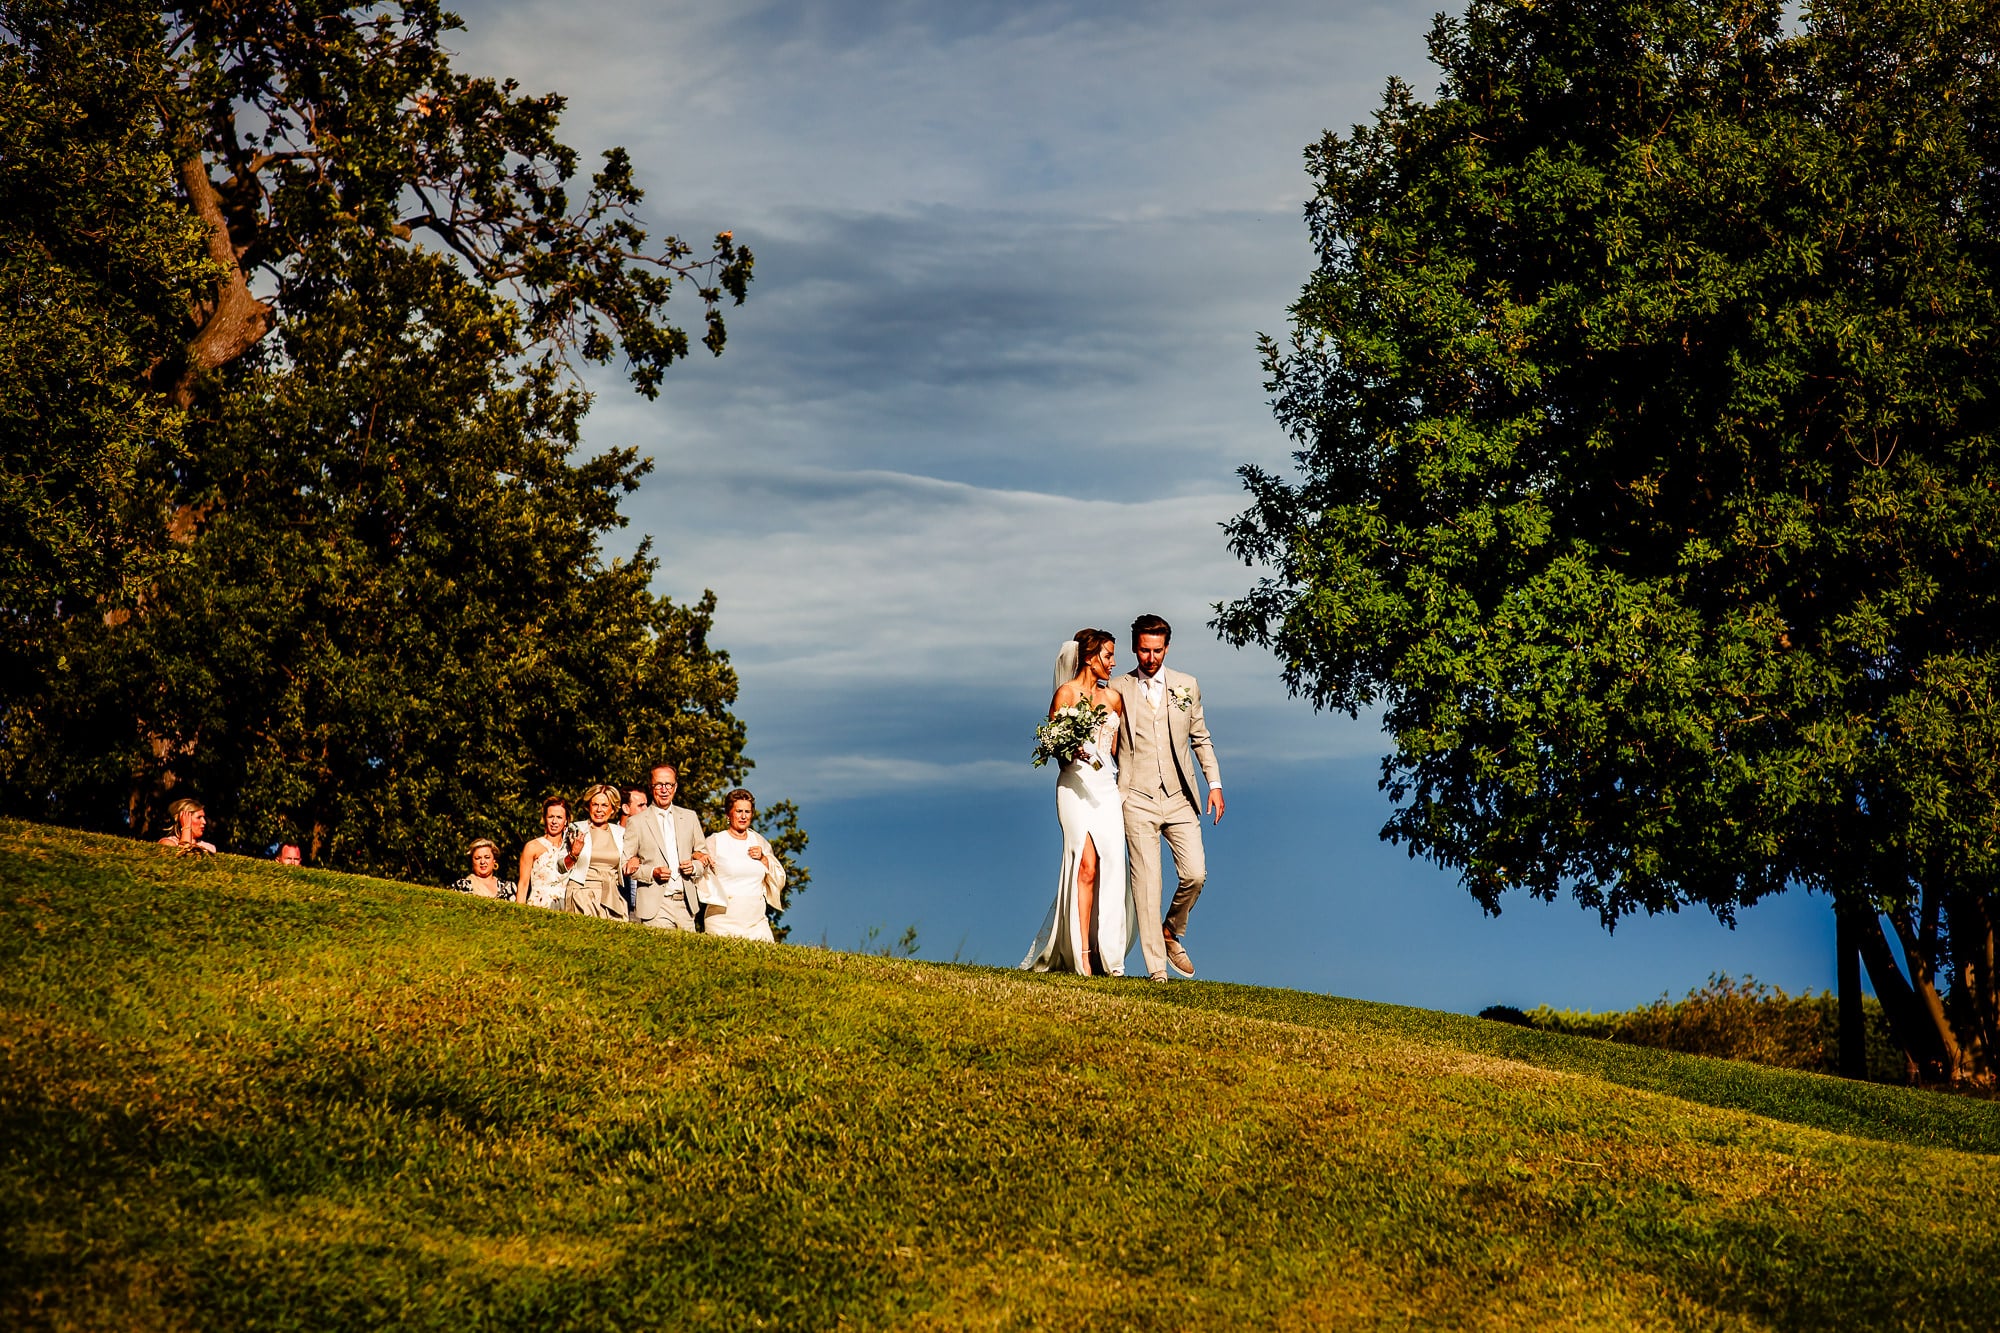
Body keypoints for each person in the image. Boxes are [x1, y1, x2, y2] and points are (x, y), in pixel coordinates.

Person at [1110, 613, 1223, 982]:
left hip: (1179, 796)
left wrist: (1214, 784)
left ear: (1167, 647)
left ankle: (1171, 930)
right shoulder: (1117, 688)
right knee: (1147, 884)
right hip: (1136, 797)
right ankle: (1157, 969)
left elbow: (1200, 738)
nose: (1151, 657)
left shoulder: (1186, 685)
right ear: (1134, 648)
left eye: (1158, 650)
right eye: (1145, 650)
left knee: (1195, 873)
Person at [1022, 628, 1135, 976]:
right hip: (1074, 787)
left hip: (1106, 788)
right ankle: (1082, 955)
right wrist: (1076, 749)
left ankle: (1110, 957)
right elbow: (1057, 751)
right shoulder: (1065, 695)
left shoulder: (1114, 699)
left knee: (1113, 866)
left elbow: (1117, 751)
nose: (1114, 662)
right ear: (1089, 658)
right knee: (1085, 866)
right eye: (1108, 655)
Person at [626, 761, 711, 931]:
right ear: (651, 787)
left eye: (669, 784)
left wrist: (694, 867)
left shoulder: (690, 817)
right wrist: (652, 872)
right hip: (655, 906)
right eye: (659, 785)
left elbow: (703, 856)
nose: (664, 789)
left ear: (675, 786)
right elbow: (625, 865)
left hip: (686, 905)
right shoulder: (636, 822)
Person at [696, 788, 784, 941]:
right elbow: (697, 860)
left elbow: (779, 877)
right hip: (722, 920)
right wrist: (700, 857)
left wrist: (763, 858)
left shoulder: (759, 841)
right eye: (739, 811)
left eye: (747, 812)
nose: (743, 816)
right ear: (729, 814)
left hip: (756, 921)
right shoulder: (716, 840)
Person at [555, 784, 628, 919]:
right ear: (588, 807)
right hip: (582, 894)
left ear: (613, 809)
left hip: (611, 894)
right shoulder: (576, 828)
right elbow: (560, 867)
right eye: (595, 805)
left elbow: (627, 863)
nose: (599, 810)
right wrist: (574, 854)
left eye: (604, 805)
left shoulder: (621, 833)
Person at [519, 797, 569, 909]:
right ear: (545, 819)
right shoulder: (532, 846)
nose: (554, 821)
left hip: (566, 907)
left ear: (566, 820)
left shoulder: (570, 849)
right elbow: (523, 884)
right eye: (551, 817)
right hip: (539, 905)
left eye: (559, 817)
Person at [447, 838, 518, 901]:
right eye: (478, 858)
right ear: (472, 862)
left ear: (494, 860)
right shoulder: (461, 886)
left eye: (487, 857)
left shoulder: (509, 887)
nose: (482, 862)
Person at [618, 784, 650, 918]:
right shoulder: (612, 836)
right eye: (641, 805)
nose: (646, 809)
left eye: (646, 805)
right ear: (625, 808)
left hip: (646, 909)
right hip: (618, 905)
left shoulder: (651, 837)